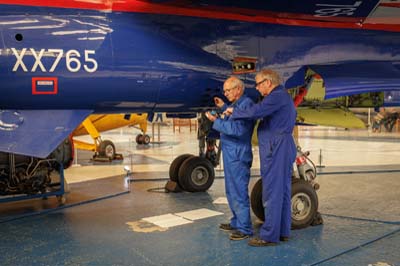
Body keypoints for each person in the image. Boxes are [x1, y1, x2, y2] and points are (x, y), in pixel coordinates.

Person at [225, 69, 297, 247]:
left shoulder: (276, 95)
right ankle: (283, 231)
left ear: (268, 82)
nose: (256, 88)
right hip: (282, 145)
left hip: (276, 146)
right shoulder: (281, 96)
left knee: (272, 191)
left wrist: (232, 113)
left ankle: (269, 236)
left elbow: (256, 111)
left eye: (258, 84)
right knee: (283, 190)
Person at [205, 76, 255, 241]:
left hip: (238, 154)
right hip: (231, 152)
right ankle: (236, 221)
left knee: (239, 191)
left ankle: (245, 228)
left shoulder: (246, 104)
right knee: (230, 190)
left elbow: (239, 129)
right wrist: (224, 107)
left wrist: (216, 121)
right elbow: (233, 117)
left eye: (228, 90)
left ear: (238, 89)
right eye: (224, 90)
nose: (225, 93)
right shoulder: (236, 105)